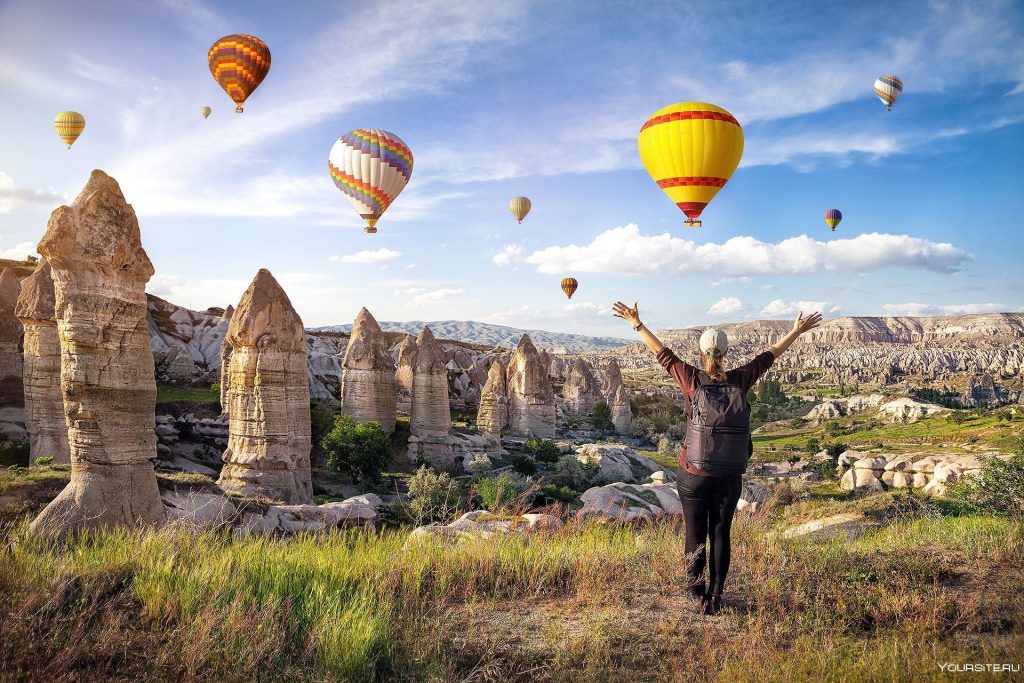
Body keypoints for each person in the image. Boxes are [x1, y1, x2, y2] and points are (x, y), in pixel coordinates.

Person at [612, 301, 822, 615]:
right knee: (721, 533)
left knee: (695, 532)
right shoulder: (740, 379)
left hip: (693, 472)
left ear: (701, 353)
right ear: (726, 353)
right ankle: (716, 596)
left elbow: (663, 354)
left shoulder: (691, 378)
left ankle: (695, 594)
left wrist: (637, 324)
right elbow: (769, 357)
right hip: (728, 475)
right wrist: (794, 331)